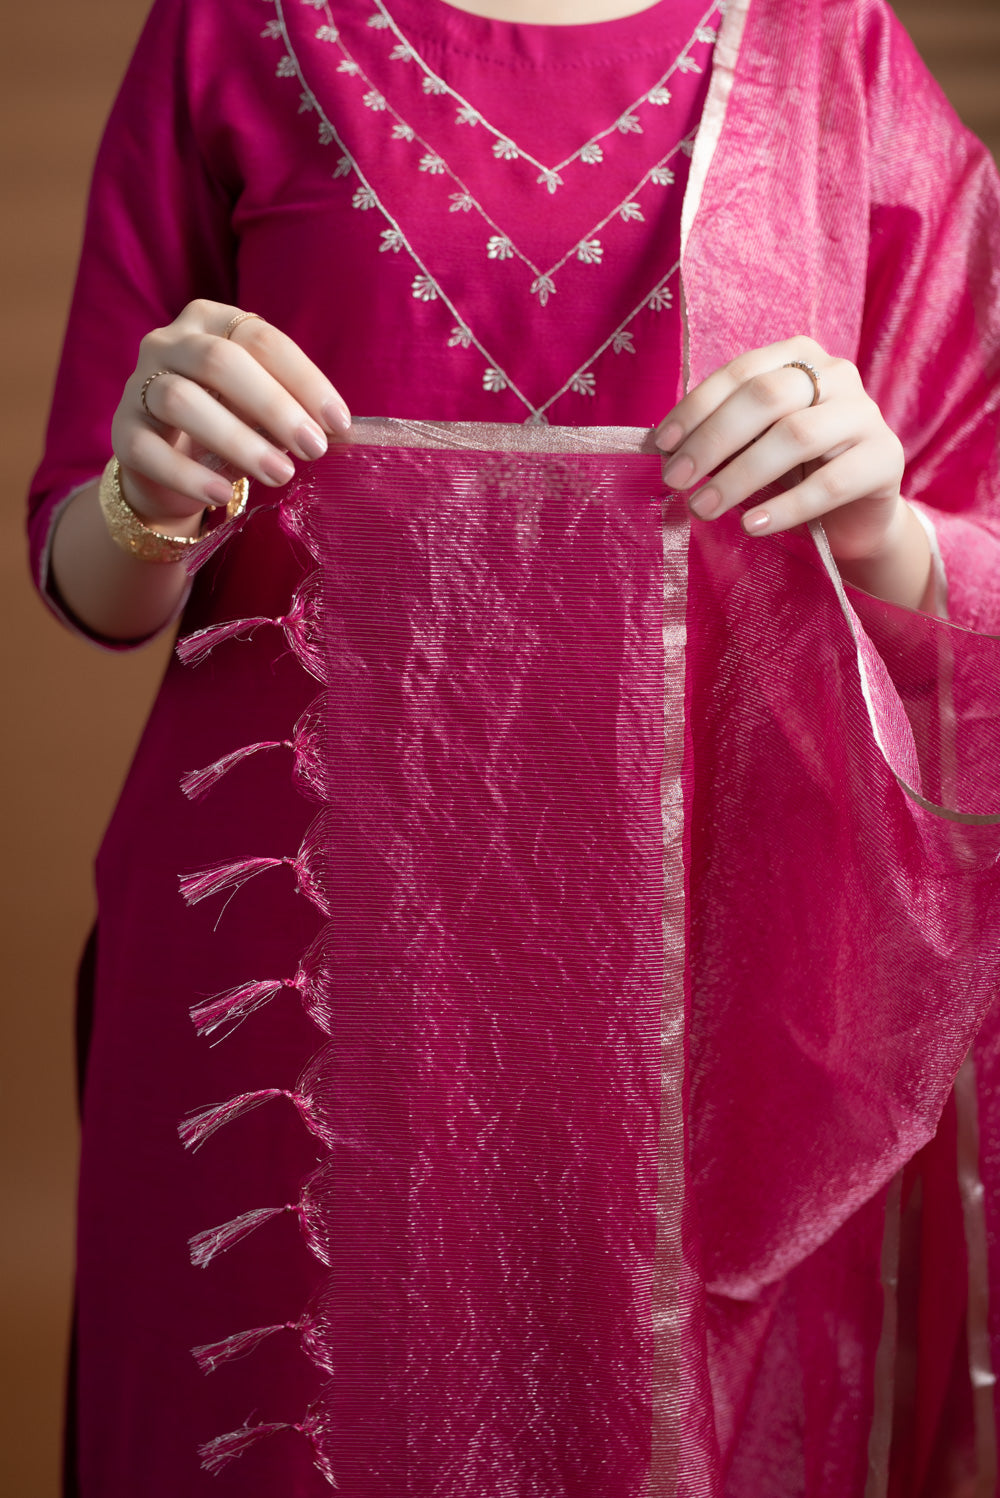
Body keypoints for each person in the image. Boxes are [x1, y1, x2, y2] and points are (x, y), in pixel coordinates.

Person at [27, 0, 1000, 1493]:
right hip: (291, 965)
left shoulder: (831, 48)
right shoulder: (229, 25)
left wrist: (878, 524)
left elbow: (970, 549)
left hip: (707, 972)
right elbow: (90, 570)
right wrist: (148, 490)